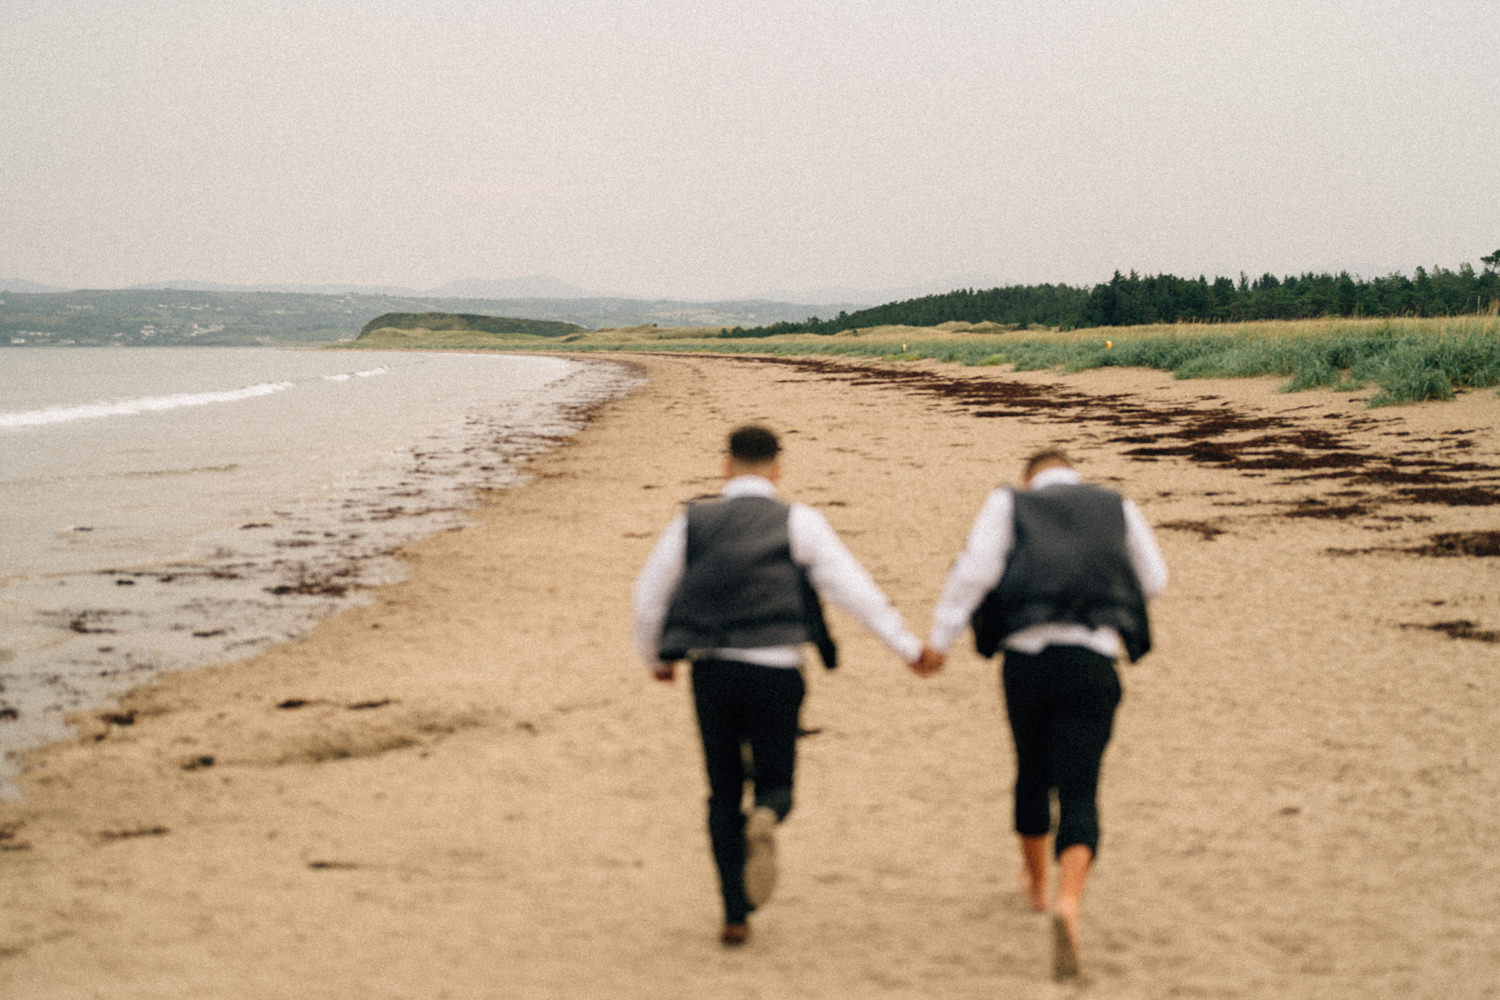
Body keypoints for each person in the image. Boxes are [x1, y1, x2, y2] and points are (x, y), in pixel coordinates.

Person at [633, 425, 940, 946]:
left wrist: (656, 657)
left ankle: (735, 913)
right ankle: (769, 814)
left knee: (722, 789)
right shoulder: (799, 521)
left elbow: (649, 598)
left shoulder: (693, 522)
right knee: (777, 780)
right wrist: (909, 649)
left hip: (713, 670)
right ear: (778, 469)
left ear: (725, 466)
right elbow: (853, 590)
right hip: (777, 668)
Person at [926, 447, 1167, 980]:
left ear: (1029, 478)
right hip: (1093, 662)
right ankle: (1070, 904)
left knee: (1032, 771)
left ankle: (1035, 888)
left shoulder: (1009, 502)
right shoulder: (1114, 505)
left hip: (1027, 664)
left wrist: (940, 641)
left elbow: (976, 572)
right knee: (1082, 788)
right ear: (1071, 473)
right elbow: (1154, 579)